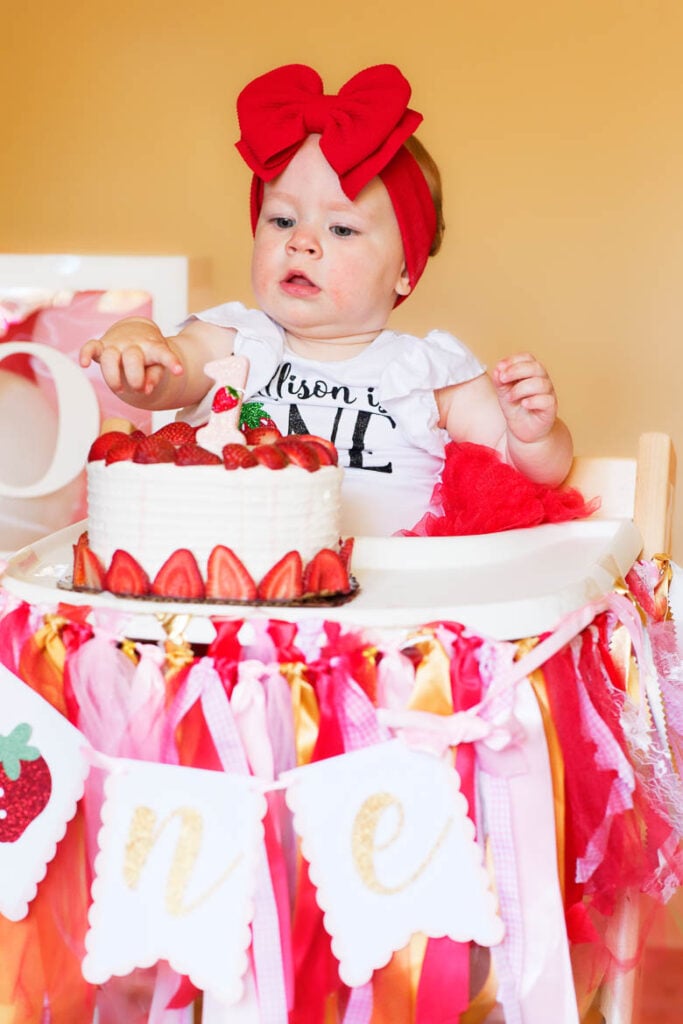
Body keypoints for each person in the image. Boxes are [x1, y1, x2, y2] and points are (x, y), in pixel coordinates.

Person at [80, 63, 575, 536]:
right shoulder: (233, 341)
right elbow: (167, 374)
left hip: (392, 596)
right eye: (282, 221)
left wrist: (533, 437)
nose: (302, 242)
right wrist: (137, 344)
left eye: (341, 228)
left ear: (404, 271)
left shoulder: (428, 371)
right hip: (240, 578)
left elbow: (527, 475)